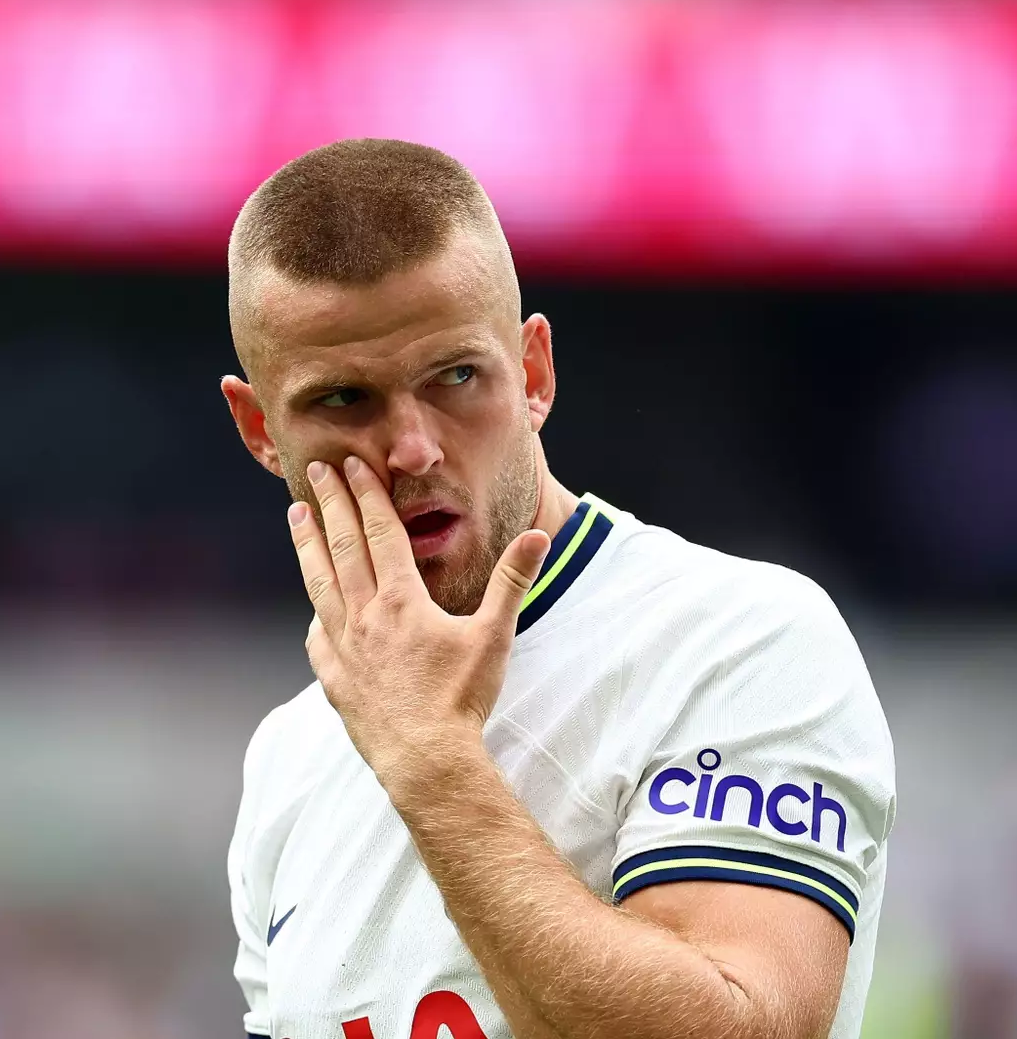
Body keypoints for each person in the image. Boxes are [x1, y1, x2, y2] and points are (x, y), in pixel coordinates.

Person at [220, 138, 897, 1039]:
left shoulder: (741, 642)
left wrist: (432, 760)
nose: (413, 447)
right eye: (344, 400)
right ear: (261, 430)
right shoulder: (288, 759)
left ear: (533, 373)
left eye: (455, 377)